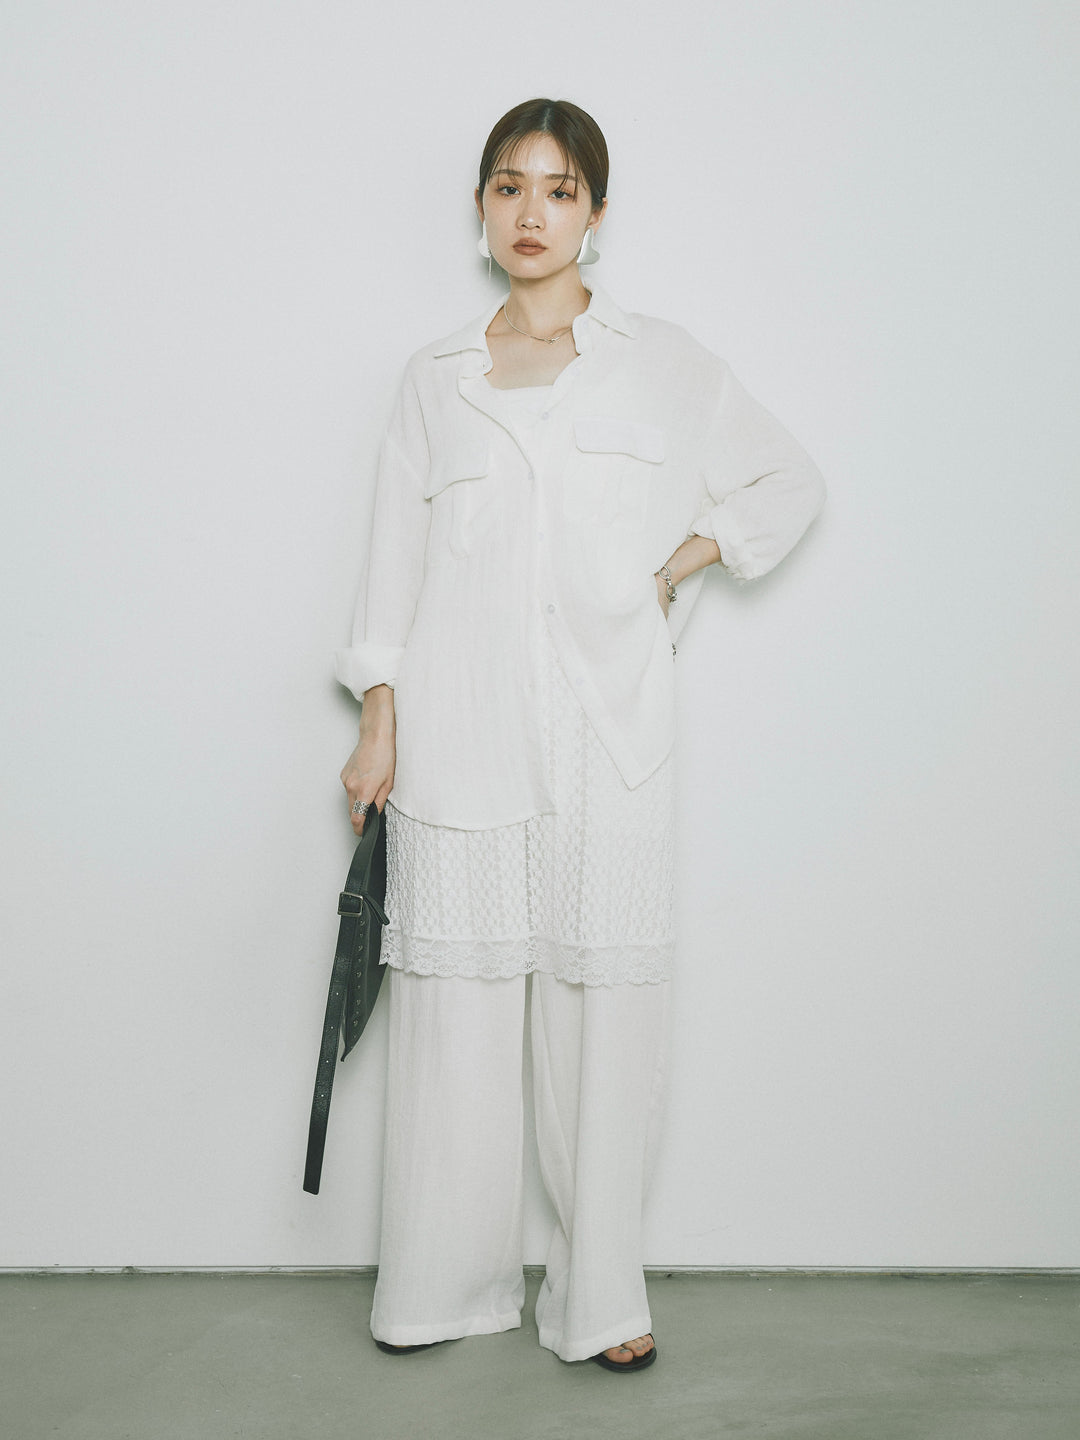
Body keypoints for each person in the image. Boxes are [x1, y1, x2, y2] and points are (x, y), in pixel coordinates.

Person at [336, 97, 826, 1372]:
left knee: (602, 1020)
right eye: (510, 186)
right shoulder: (433, 378)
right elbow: (392, 561)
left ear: (596, 214)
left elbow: (786, 480)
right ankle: (439, 1289)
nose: (533, 213)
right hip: (462, 724)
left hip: (610, 732)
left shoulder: (662, 362)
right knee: (454, 1010)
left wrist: (675, 569)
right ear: (482, 208)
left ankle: (601, 1298)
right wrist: (379, 716)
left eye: (559, 190)